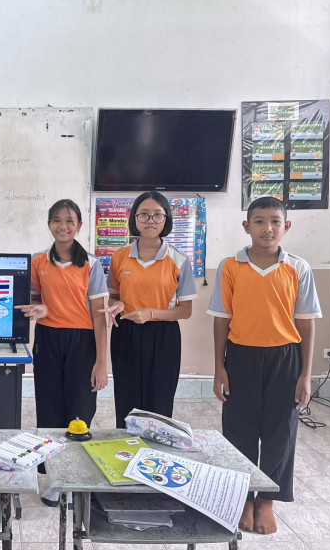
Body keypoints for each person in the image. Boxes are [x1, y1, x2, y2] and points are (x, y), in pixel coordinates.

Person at [208, 196, 321, 535]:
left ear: (286, 227)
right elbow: (221, 319)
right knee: (238, 430)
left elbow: (306, 323)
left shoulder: (298, 268)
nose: (267, 228)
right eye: (259, 221)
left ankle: (267, 498)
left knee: (280, 432)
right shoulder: (231, 266)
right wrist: (219, 366)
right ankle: (243, 496)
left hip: (285, 359)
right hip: (240, 357)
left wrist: (305, 374)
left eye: (275, 221)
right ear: (247, 226)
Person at [17, 199, 108, 507]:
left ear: (79, 226)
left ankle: (74, 477)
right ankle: (56, 479)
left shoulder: (91, 264)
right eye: (57, 220)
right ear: (49, 225)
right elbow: (34, 301)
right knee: (50, 412)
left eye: (69, 220)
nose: (63, 226)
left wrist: (101, 362)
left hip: (83, 343)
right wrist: (41, 309)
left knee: (79, 411)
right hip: (48, 341)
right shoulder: (37, 262)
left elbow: (100, 317)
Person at [102, 192, 196, 428]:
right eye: (143, 214)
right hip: (126, 333)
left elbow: (185, 310)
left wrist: (151, 313)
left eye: (157, 215)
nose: (150, 220)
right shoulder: (119, 257)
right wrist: (118, 304)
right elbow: (114, 296)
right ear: (134, 218)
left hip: (164, 336)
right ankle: (126, 447)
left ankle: (157, 447)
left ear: (166, 219)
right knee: (127, 399)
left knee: (160, 401)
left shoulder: (179, 260)